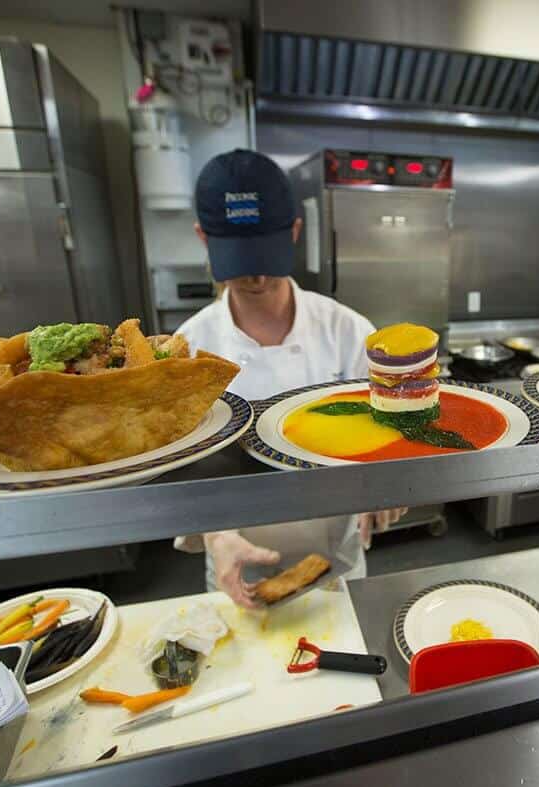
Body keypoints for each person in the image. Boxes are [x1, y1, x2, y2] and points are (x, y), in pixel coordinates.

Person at [173, 149, 405, 607]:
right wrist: (216, 537)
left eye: (267, 253)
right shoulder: (190, 348)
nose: (257, 274)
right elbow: (183, 470)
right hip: (235, 564)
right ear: (204, 238)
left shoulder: (349, 331)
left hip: (336, 560)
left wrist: (387, 484)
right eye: (240, 259)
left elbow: (390, 433)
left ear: (294, 231)